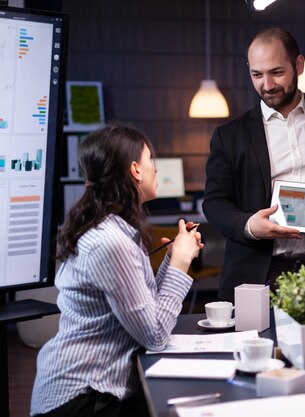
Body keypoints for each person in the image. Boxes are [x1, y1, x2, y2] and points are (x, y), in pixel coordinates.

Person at [31, 124, 204, 417]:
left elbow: (147, 310)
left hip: (101, 388)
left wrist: (171, 258)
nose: (155, 169)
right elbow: (155, 335)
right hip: (82, 398)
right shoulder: (111, 242)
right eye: (151, 159)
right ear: (136, 170)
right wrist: (181, 264)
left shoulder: (114, 230)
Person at [202, 27, 305, 302]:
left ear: (299, 64)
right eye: (257, 75)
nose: (267, 85)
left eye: (276, 72)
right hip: (256, 273)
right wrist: (249, 226)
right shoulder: (228, 136)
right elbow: (214, 202)